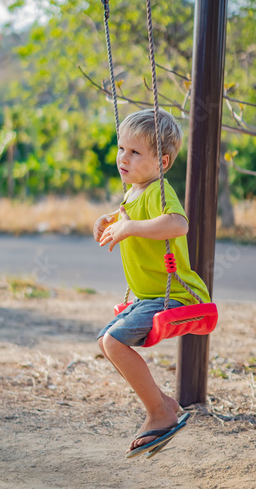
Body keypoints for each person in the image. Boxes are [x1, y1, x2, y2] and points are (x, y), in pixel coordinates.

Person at [93, 108, 211, 457]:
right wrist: (107, 221)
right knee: (105, 341)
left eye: (134, 152)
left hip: (174, 297)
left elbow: (178, 224)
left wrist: (129, 227)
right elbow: (126, 218)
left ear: (162, 161)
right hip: (147, 298)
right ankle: (167, 404)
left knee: (114, 342)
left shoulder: (159, 190)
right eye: (120, 149)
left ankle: (158, 413)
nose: (122, 158)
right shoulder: (132, 193)